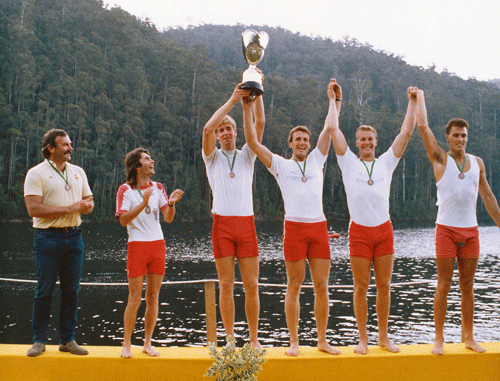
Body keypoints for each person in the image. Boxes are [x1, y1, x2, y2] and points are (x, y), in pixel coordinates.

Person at [244, 79, 342, 356]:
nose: (302, 143)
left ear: (310, 144)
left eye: (305, 140)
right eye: (297, 139)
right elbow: (251, 142)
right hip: (295, 229)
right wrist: (246, 107)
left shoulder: (316, 160)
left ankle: (322, 340)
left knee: (321, 286)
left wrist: (334, 101)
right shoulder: (280, 165)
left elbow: (330, 128)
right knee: (295, 285)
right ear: (290, 144)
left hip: (318, 228)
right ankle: (295, 341)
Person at [330, 82, 418, 354]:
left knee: (383, 286)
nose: (367, 143)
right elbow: (333, 129)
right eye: (363, 140)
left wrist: (413, 102)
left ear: (376, 143)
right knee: (360, 287)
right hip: (358, 232)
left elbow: (406, 132)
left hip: (383, 232)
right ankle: (363, 339)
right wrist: (335, 100)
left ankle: (383, 336)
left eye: (371, 139)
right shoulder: (348, 162)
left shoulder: (386, 162)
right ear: (357, 143)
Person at [415, 91, 500, 355]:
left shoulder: (477, 163)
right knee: (444, 283)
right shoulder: (440, 158)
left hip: (471, 231)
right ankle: (438, 338)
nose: (460, 139)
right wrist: (420, 98)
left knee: (467, 286)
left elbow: (486, 195)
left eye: (464, 135)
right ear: (448, 137)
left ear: (467, 137)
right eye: (455, 135)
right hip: (447, 230)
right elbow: (422, 126)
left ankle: (469, 337)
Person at [202, 82, 264, 348]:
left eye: (229, 129)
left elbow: (259, 124)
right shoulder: (212, 157)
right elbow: (206, 128)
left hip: (246, 224)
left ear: (236, 132)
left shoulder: (248, 154)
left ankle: (253, 340)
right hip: (223, 225)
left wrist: (254, 96)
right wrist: (232, 99)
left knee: (251, 284)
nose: (225, 133)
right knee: (226, 285)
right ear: (218, 136)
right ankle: (229, 339)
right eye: (222, 130)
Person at [24, 129, 94, 357]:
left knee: (71, 291)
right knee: (44, 291)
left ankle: (67, 340)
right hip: (47, 238)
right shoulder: (36, 173)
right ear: (51, 148)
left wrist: (87, 206)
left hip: (74, 237)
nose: (70, 148)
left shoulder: (78, 172)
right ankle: (39, 340)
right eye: (65, 145)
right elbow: (33, 209)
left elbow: (88, 200)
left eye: (70, 144)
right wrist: (69, 208)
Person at [115, 147, 183, 358]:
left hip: (158, 245)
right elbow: (123, 219)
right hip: (137, 245)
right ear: (137, 166)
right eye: (147, 159)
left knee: (153, 296)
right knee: (134, 298)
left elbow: (168, 218)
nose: (152, 161)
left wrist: (170, 203)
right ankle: (127, 343)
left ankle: (147, 342)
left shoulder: (158, 187)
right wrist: (143, 203)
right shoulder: (125, 190)